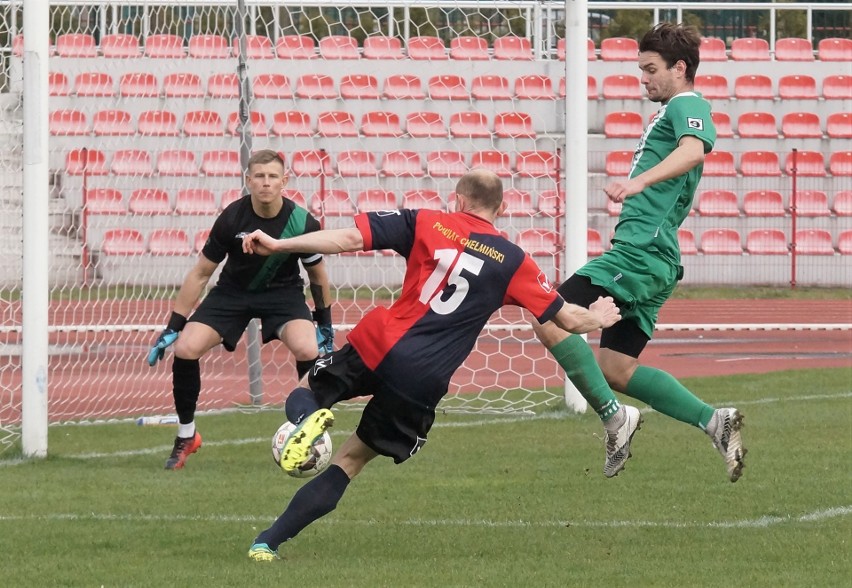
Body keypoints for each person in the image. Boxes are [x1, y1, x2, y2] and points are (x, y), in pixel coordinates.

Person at [239, 169, 628, 562]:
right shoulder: (513, 261)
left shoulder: (428, 220)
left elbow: (349, 238)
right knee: (350, 461)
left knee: (307, 389)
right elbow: (568, 320)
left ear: (458, 199)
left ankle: (306, 424)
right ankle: (267, 541)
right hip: (422, 378)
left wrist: (279, 244)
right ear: (503, 208)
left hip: (381, 343)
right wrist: (598, 315)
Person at [532, 22, 746, 483]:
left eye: (651, 69)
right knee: (616, 368)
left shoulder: (688, 104)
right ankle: (715, 421)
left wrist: (638, 181)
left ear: (680, 68)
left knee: (547, 312)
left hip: (640, 253)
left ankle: (616, 420)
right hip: (654, 258)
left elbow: (693, 151)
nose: (643, 79)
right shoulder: (672, 109)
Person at [146, 149, 335, 470]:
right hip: (232, 294)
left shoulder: (302, 221)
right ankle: (186, 435)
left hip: (283, 294)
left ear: (284, 181)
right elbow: (201, 273)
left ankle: (310, 433)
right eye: (259, 176)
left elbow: (317, 274)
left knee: (307, 346)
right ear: (248, 180)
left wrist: (325, 323)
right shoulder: (231, 218)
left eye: (272, 176)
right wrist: (173, 325)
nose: (265, 183)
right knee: (186, 348)